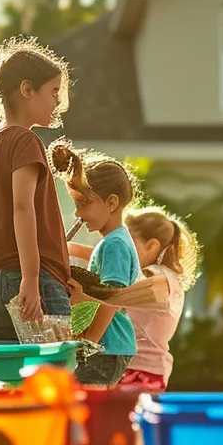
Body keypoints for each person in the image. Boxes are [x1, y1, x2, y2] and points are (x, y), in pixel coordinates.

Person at [0, 36, 73, 339]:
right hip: (35, 283)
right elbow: (22, 207)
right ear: (27, 89)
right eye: (53, 92)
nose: (58, 101)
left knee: (11, 380)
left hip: (2, 281)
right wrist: (31, 279)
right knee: (50, 380)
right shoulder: (26, 142)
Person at [51, 139, 141, 386]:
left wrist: (89, 342)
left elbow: (113, 299)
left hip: (106, 347)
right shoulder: (112, 241)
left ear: (111, 203)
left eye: (84, 203)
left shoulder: (115, 245)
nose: (78, 214)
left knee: (88, 409)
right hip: (107, 345)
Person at [118, 206, 199, 392]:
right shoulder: (171, 278)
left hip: (136, 369)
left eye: (129, 244)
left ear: (152, 246)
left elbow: (114, 296)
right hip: (154, 369)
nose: (123, 251)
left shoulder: (151, 276)